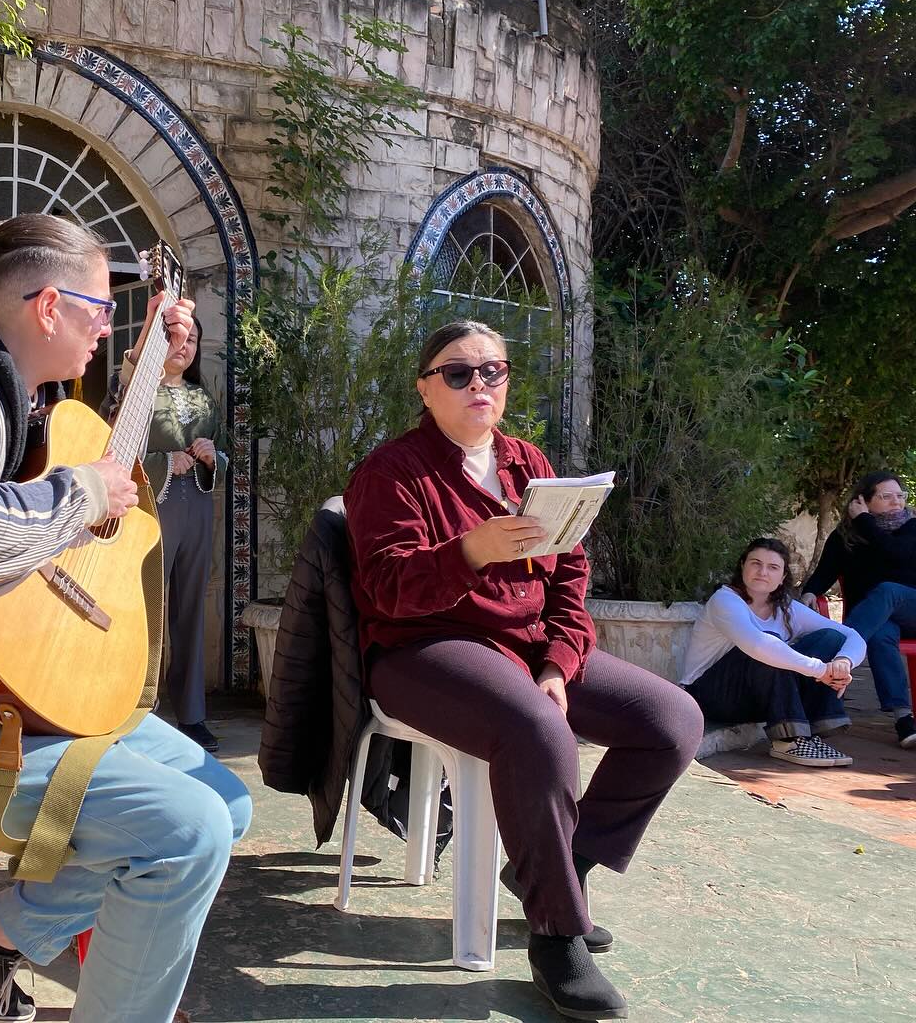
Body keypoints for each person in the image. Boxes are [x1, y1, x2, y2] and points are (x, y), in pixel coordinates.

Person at [0, 214, 251, 1023]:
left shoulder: (37, 402)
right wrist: (82, 494)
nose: (105, 325)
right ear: (49, 307)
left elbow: (95, 492)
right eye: (99, 309)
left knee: (224, 801)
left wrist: (144, 372)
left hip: (31, 703)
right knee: (188, 830)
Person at [343, 319, 703, 1022]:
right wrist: (470, 552)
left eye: (493, 371)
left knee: (671, 720)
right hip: (424, 649)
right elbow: (386, 589)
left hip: (528, 646)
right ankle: (556, 933)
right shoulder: (391, 472)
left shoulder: (526, 463)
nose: (478, 384)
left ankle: (559, 869)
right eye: (457, 372)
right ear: (425, 387)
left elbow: (570, 575)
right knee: (537, 728)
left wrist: (560, 664)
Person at [109, 315, 227, 751]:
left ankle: (192, 715)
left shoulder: (203, 397)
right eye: (177, 337)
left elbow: (224, 453)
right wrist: (163, 462)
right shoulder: (135, 394)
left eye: (192, 339)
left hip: (197, 507)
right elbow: (113, 448)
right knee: (144, 610)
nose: (185, 346)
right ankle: (137, 710)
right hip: (149, 509)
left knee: (191, 609)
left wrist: (213, 456)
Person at [681, 538, 864, 766]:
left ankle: (811, 731)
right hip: (710, 696)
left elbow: (852, 636)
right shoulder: (725, 600)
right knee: (769, 646)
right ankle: (788, 741)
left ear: (783, 576)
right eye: (755, 563)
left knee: (830, 638)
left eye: (773, 567)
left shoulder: (786, 607)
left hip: (754, 697)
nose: (763, 572)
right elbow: (758, 645)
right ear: (742, 566)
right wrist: (820, 670)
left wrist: (843, 662)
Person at [800, 470, 916, 749]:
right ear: (862, 500)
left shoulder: (912, 528)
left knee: (888, 590)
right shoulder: (845, 537)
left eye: (900, 495)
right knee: (880, 634)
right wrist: (810, 592)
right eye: (886, 496)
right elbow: (825, 572)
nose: (896, 502)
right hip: (878, 622)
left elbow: (896, 553)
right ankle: (904, 719)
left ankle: (841, 651)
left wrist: (865, 521)